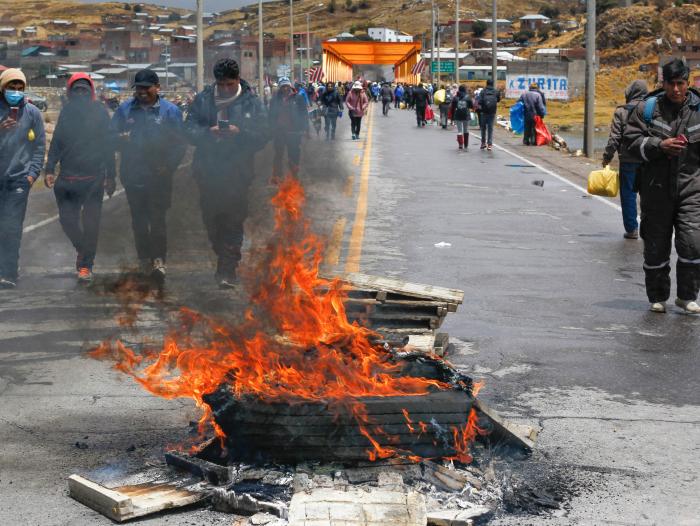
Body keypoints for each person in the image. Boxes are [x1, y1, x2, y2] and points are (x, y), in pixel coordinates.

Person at [623, 58, 700, 314]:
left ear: (687, 83)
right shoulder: (647, 110)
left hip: (692, 189)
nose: (676, 89)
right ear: (663, 83)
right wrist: (659, 146)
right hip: (655, 191)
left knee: (692, 243)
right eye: (671, 84)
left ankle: (687, 296)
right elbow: (631, 144)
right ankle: (657, 296)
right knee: (656, 245)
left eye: (681, 84)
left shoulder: (699, 110)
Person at [185, 58, 268, 288]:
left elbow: (263, 134)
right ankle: (223, 256)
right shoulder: (203, 100)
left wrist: (239, 133)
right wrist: (207, 133)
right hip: (208, 172)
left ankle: (227, 269)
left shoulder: (251, 102)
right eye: (221, 85)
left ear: (237, 79)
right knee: (212, 222)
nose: (225, 89)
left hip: (238, 173)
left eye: (229, 84)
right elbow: (189, 129)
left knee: (233, 221)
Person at [112, 69, 185, 282]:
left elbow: (180, 143)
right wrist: (120, 138)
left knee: (158, 219)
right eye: (139, 88)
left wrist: (169, 166)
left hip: (160, 175)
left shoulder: (170, 112)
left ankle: (159, 260)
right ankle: (144, 259)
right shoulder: (125, 110)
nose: (142, 92)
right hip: (133, 175)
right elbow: (109, 136)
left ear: (157, 87)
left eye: (146, 87)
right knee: (139, 220)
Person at [45, 73, 116, 282]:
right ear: (69, 92)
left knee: (92, 223)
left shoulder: (100, 113)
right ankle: (82, 249)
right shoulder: (66, 113)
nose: (81, 94)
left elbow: (108, 146)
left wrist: (111, 176)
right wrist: (49, 169)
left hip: (94, 178)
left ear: (91, 92)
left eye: (85, 90)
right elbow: (57, 141)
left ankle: (86, 266)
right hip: (68, 177)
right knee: (67, 220)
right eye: (76, 90)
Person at [0, 68, 45, 289]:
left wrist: (32, 175)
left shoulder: (33, 113)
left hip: (19, 180)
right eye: (11, 87)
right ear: (3, 88)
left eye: (19, 88)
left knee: (11, 227)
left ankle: (8, 273)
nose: (15, 92)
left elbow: (38, 147)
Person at [602, 80, 648, 240]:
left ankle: (632, 229)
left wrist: (607, 156)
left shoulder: (622, 111)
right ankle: (648, 229)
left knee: (628, 194)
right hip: (648, 158)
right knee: (648, 194)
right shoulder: (652, 108)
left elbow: (615, 137)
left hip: (628, 159)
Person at [269, 77, 308, 177]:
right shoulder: (274, 99)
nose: (285, 88)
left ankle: (294, 173)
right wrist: (271, 128)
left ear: (290, 86)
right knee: (278, 153)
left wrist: (305, 128)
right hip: (279, 131)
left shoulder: (298, 98)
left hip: (294, 131)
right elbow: (271, 115)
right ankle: (277, 175)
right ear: (280, 87)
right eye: (283, 86)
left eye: (287, 86)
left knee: (294, 152)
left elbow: (304, 113)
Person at [478, 79, 500, 151]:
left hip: (483, 112)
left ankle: (483, 143)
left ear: (486, 84)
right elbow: (498, 100)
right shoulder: (496, 91)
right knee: (490, 128)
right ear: (492, 84)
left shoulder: (483, 91)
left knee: (483, 128)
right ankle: (489, 144)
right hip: (492, 112)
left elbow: (479, 101)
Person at [450, 85, 472, 151]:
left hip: (458, 115)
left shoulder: (456, 97)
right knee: (466, 130)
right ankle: (466, 144)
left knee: (459, 131)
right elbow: (471, 106)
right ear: (465, 90)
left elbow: (452, 108)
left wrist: (452, 117)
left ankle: (460, 145)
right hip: (466, 115)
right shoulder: (468, 97)